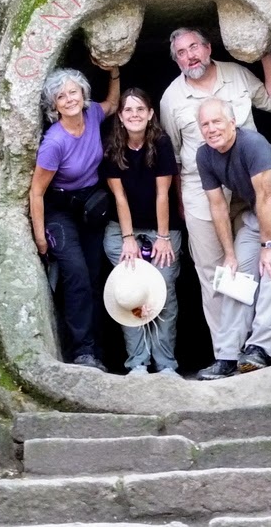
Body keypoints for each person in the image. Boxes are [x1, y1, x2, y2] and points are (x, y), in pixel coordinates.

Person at [159, 27, 271, 364]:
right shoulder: (171, 98)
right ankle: (225, 354)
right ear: (177, 61)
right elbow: (171, 155)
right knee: (216, 271)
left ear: (208, 47)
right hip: (201, 192)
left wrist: (265, 52)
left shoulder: (235, 74)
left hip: (248, 186)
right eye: (182, 53)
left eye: (195, 47)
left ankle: (253, 350)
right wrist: (180, 202)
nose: (191, 56)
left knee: (256, 262)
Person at [193, 97, 271, 380]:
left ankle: (259, 349)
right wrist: (230, 255)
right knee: (237, 279)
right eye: (205, 124)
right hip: (256, 218)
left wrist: (268, 247)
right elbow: (218, 206)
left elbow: (266, 195)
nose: (211, 129)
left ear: (232, 123)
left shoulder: (252, 143)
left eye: (217, 121)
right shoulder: (204, 155)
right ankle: (227, 356)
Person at [29, 65, 120, 371]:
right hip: (59, 209)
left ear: (83, 95)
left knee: (94, 276)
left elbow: (113, 105)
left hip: (89, 205)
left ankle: (97, 350)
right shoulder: (54, 143)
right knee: (77, 276)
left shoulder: (93, 114)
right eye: (60, 96)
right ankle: (82, 351)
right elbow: (37, 193)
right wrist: (41, 238)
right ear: (53, 105)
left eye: (73, 92)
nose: (68, 99)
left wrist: (115, 72)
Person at [101, 88, 182, 375]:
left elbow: (164, 194)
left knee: (163, 291)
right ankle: (137, 362)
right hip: (123, 230)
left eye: (140, 109)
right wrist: (128, 239)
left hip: (162, 228)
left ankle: (165, 363)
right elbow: (119, 198)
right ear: (120, 117)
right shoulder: (113, 147)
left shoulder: (160, 143)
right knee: (129, 292)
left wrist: (162, 237)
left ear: (150, 114)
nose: (134, 115)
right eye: (128, 111)